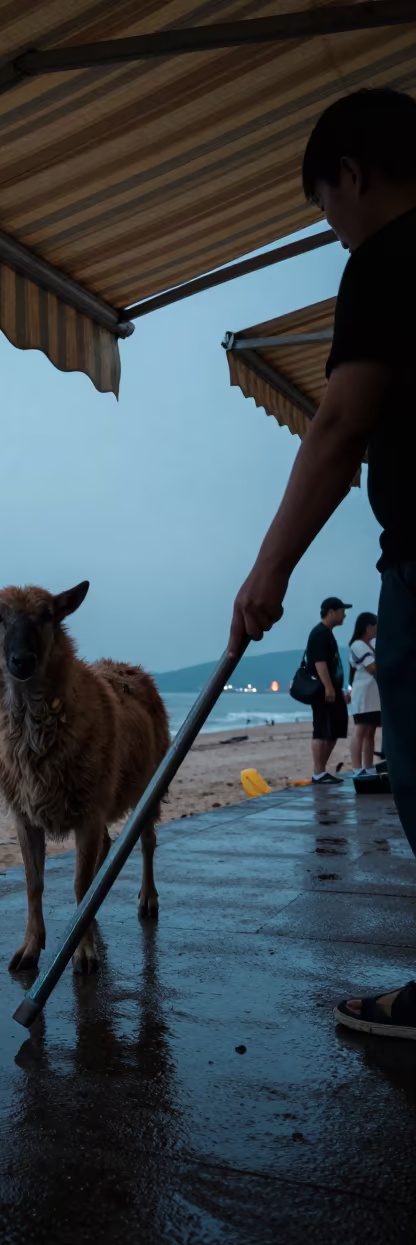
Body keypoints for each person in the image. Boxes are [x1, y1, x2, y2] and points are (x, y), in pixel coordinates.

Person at [229, 88, 416, 1039]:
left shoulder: (389, 258)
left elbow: (339, 426)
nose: (335, 232)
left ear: (353, 173)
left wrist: (268, 575)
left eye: (327, 209)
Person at [305, 597, 350, 784]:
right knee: (322, 729)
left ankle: (321, 770)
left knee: (336, 726)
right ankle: (318, 772)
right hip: (322, 690)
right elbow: (319, 663)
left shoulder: (327, 633)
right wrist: (330, 688)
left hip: (333, 688)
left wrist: (338, 690)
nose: (344, 615)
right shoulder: (319, 634)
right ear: (331, 612)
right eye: (341, 611)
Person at [347, 611, 380, 776]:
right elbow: (372, 667)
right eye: (376, 626)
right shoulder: (358, 645)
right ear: (368, 627)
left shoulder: (370, 646)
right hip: (363, 694)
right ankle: (357, 767)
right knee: (361, 729)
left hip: (373, 695)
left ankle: (368, 766)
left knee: (370, 731)